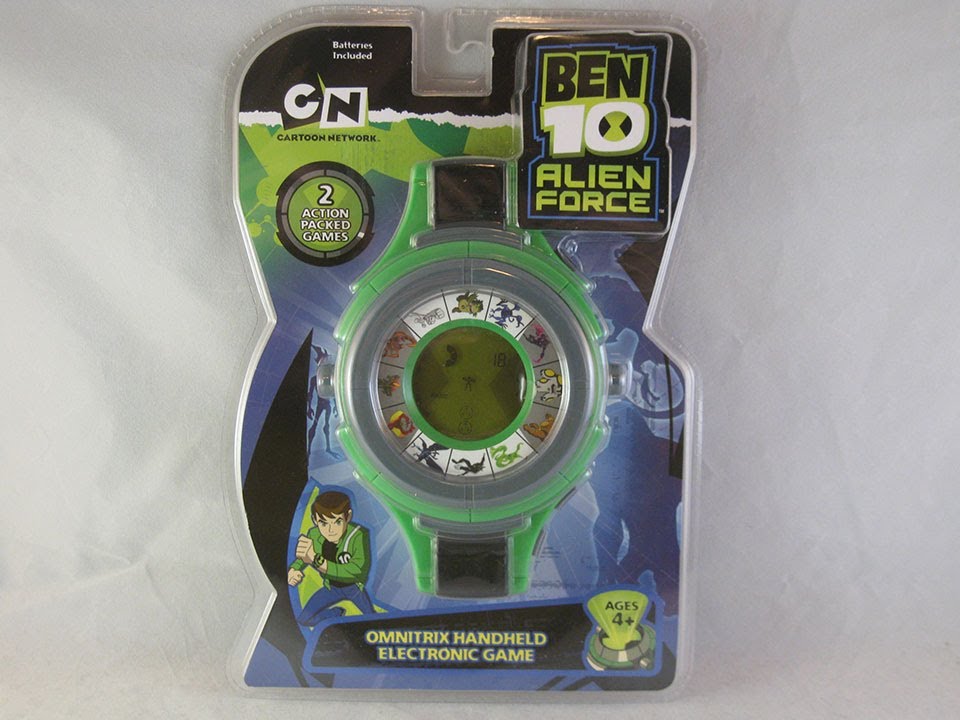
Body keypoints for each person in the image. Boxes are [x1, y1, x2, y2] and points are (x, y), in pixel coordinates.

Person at [287, 490, 374, 626]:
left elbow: (356, 570)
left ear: (348, 516)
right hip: (330, 588)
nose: (330, 530)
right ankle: (335, 614)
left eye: (337, 522)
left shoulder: (358, 535)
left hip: (354, 589)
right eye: (323, 523)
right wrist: (293, 569)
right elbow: (304, 557)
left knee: (373, 621)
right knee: (304, 619)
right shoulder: (314, 534)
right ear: (315, 520)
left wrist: (316, 560)